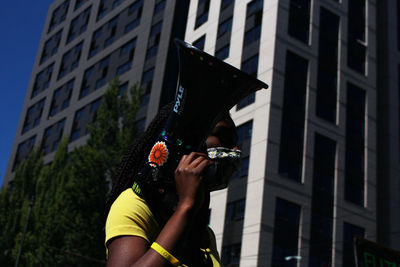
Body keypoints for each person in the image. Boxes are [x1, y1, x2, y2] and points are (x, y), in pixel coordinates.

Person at [105, 102, 240, 267]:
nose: (235, 149)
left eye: (234, 141)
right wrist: (185, 207)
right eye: (224, 137)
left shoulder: (204, 233)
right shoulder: (135, 206)